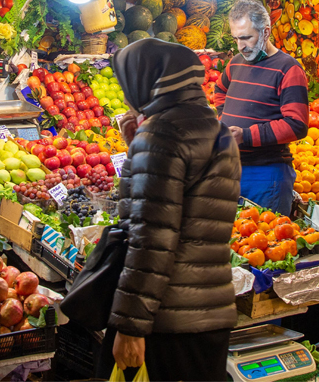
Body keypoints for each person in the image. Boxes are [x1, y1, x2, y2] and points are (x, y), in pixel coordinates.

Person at [102, 38, 240, 381]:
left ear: (144, 81)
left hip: (164, 321)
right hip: (211, 314)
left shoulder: (160, 136)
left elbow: (151, 239)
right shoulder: (216, 129)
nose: (124, 94)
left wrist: (130, 327)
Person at [215, 0, 309, 215]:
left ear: (266, 32)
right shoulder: (236, 62)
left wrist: (246, 135)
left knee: (267, 242)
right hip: (230, 169)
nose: (240, 46)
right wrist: (224, 117)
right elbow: (220, 90)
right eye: (236, 38)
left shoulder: (289, 69)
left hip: (266, 175)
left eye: (247, 37)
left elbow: (297, 125)